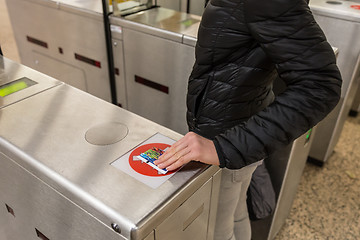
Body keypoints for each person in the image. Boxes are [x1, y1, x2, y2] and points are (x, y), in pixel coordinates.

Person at [154, 0, 342, 239]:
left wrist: (225, 147)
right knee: (236, 211)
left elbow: (321, 87)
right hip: (240, 124)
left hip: (230, 136)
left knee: (216, 229)